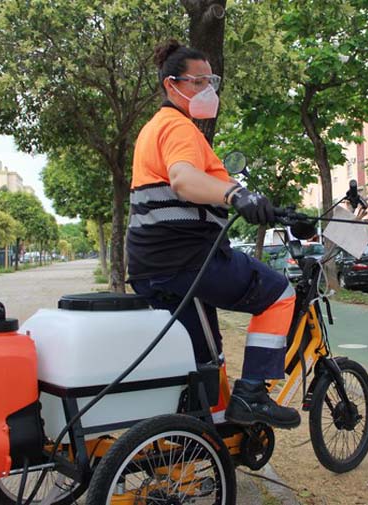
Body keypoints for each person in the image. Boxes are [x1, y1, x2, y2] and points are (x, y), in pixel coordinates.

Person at [127, 40, 300, 429]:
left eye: (212, 81)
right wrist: (236, 193)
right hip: (187, 262)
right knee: (279, 294)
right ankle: (253, 393)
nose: (208, 91)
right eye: (198, 81)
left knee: (204, 360)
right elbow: (184, 179)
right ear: (172, 85)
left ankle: (206, 442)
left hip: (149, 268)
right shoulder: (179, 128)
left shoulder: (152, 129)